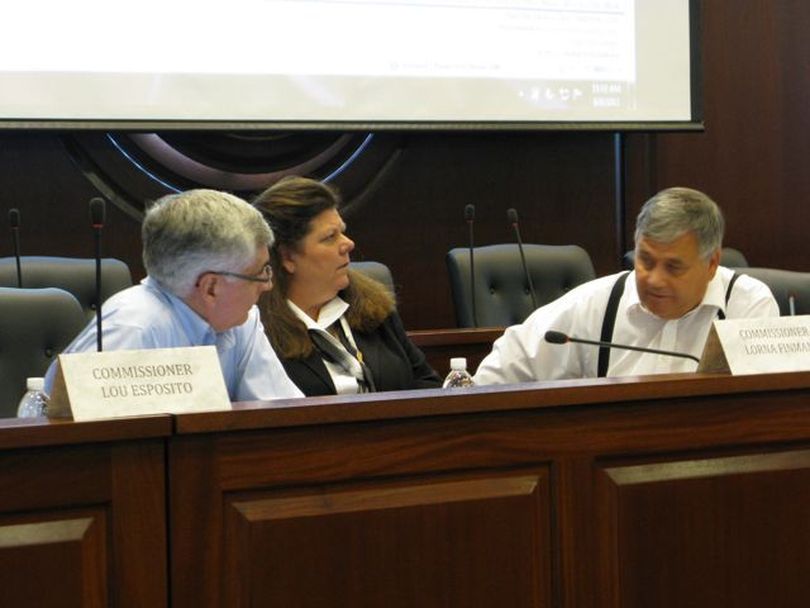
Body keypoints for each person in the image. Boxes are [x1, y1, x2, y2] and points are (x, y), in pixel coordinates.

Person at [474, 187, 779, 384]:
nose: (654, 279)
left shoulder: (747, 306)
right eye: (646, 260)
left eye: (673, 267)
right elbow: (494, 378)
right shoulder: (595, 304)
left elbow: (768, 410)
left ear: (712, 263)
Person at [45, 189, 303, 401]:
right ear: (211, 288)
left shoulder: (239, 320)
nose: (267, 285)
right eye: (260, 273)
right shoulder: (131, 330)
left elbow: (283, 416)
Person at [252, 176, 441, 396]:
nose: (348, 243)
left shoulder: (373, 307)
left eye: (342, 231)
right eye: (330, 237)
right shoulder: (257, 331)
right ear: (287, 257)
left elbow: (427, 384)